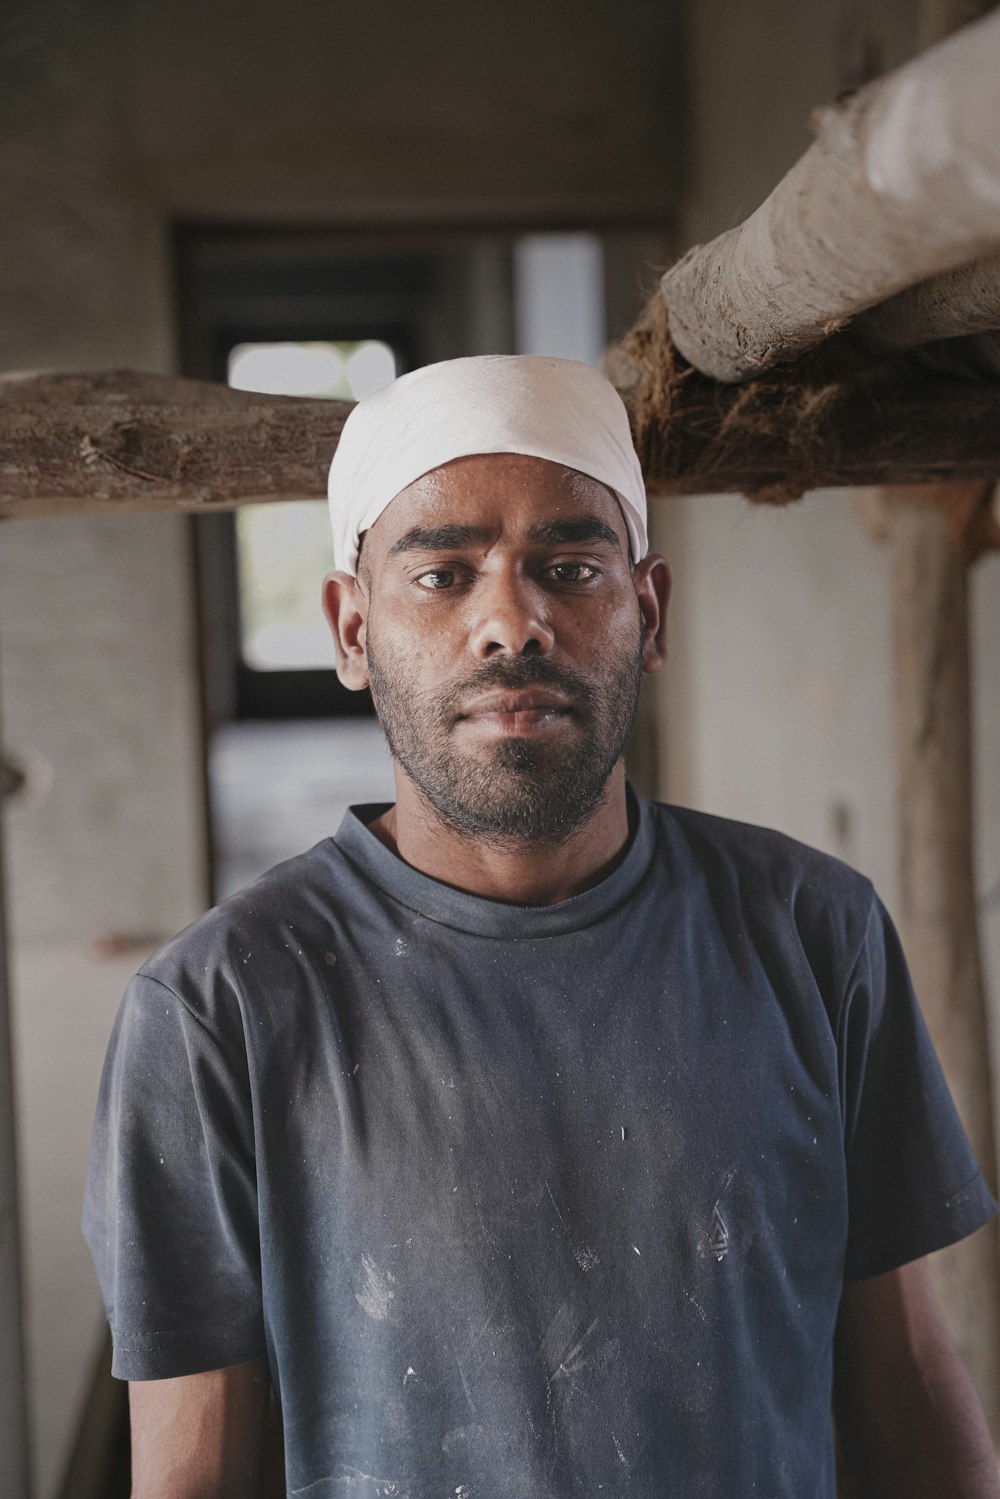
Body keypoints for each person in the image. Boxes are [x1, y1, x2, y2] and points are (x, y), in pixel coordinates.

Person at [84, 355, 999, 1499]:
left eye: (570, 567)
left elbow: (906, 1379)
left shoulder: (815, 935)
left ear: (648, 611)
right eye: (443, 575)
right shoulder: (217, 1010)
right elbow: (190, 1469)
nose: (511, 621)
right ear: (351, 627)